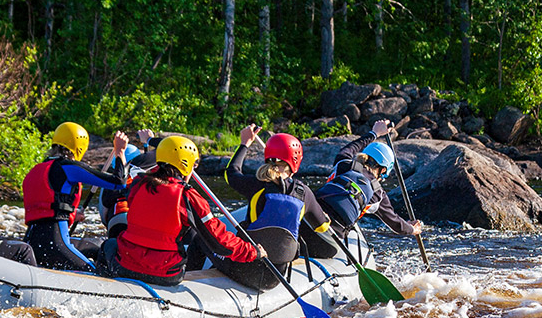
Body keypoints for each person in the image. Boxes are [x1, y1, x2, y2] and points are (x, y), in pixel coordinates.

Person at [102, 135, 267, 288]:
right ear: (186, 165)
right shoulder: (188, 196)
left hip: (126, 264)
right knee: (195, 240)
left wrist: (124, 153)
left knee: (109, 244)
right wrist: (252, 251)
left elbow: (130, 181)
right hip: (166, 274)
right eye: (194, 165)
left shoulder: (138, 184)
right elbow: (219, 242)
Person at [222, 126, 337, 277]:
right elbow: (321, 227)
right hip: (278, 275)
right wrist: (325, 218)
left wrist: (245, 143)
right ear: (296, 160)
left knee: (200, 240)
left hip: (244, 267)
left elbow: (230, 173)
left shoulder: (257, 184)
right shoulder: (305, 194)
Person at [22, 122, 124, 272]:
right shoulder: (68, 167)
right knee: (94, 273)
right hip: (55, 242)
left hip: (31, 240)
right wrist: (120, 152)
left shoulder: (36, 170)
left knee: (94, 249)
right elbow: (118, 182)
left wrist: (72, 214)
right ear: (79, 146)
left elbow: (46, 208)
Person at [315, 119, 424, 240]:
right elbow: (396, 223)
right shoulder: (378, 194)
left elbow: (352, 147)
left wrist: (374, 133)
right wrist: (412, 229)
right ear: (383, 170)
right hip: (330, 235)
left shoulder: (343, 163)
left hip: (311, 217)